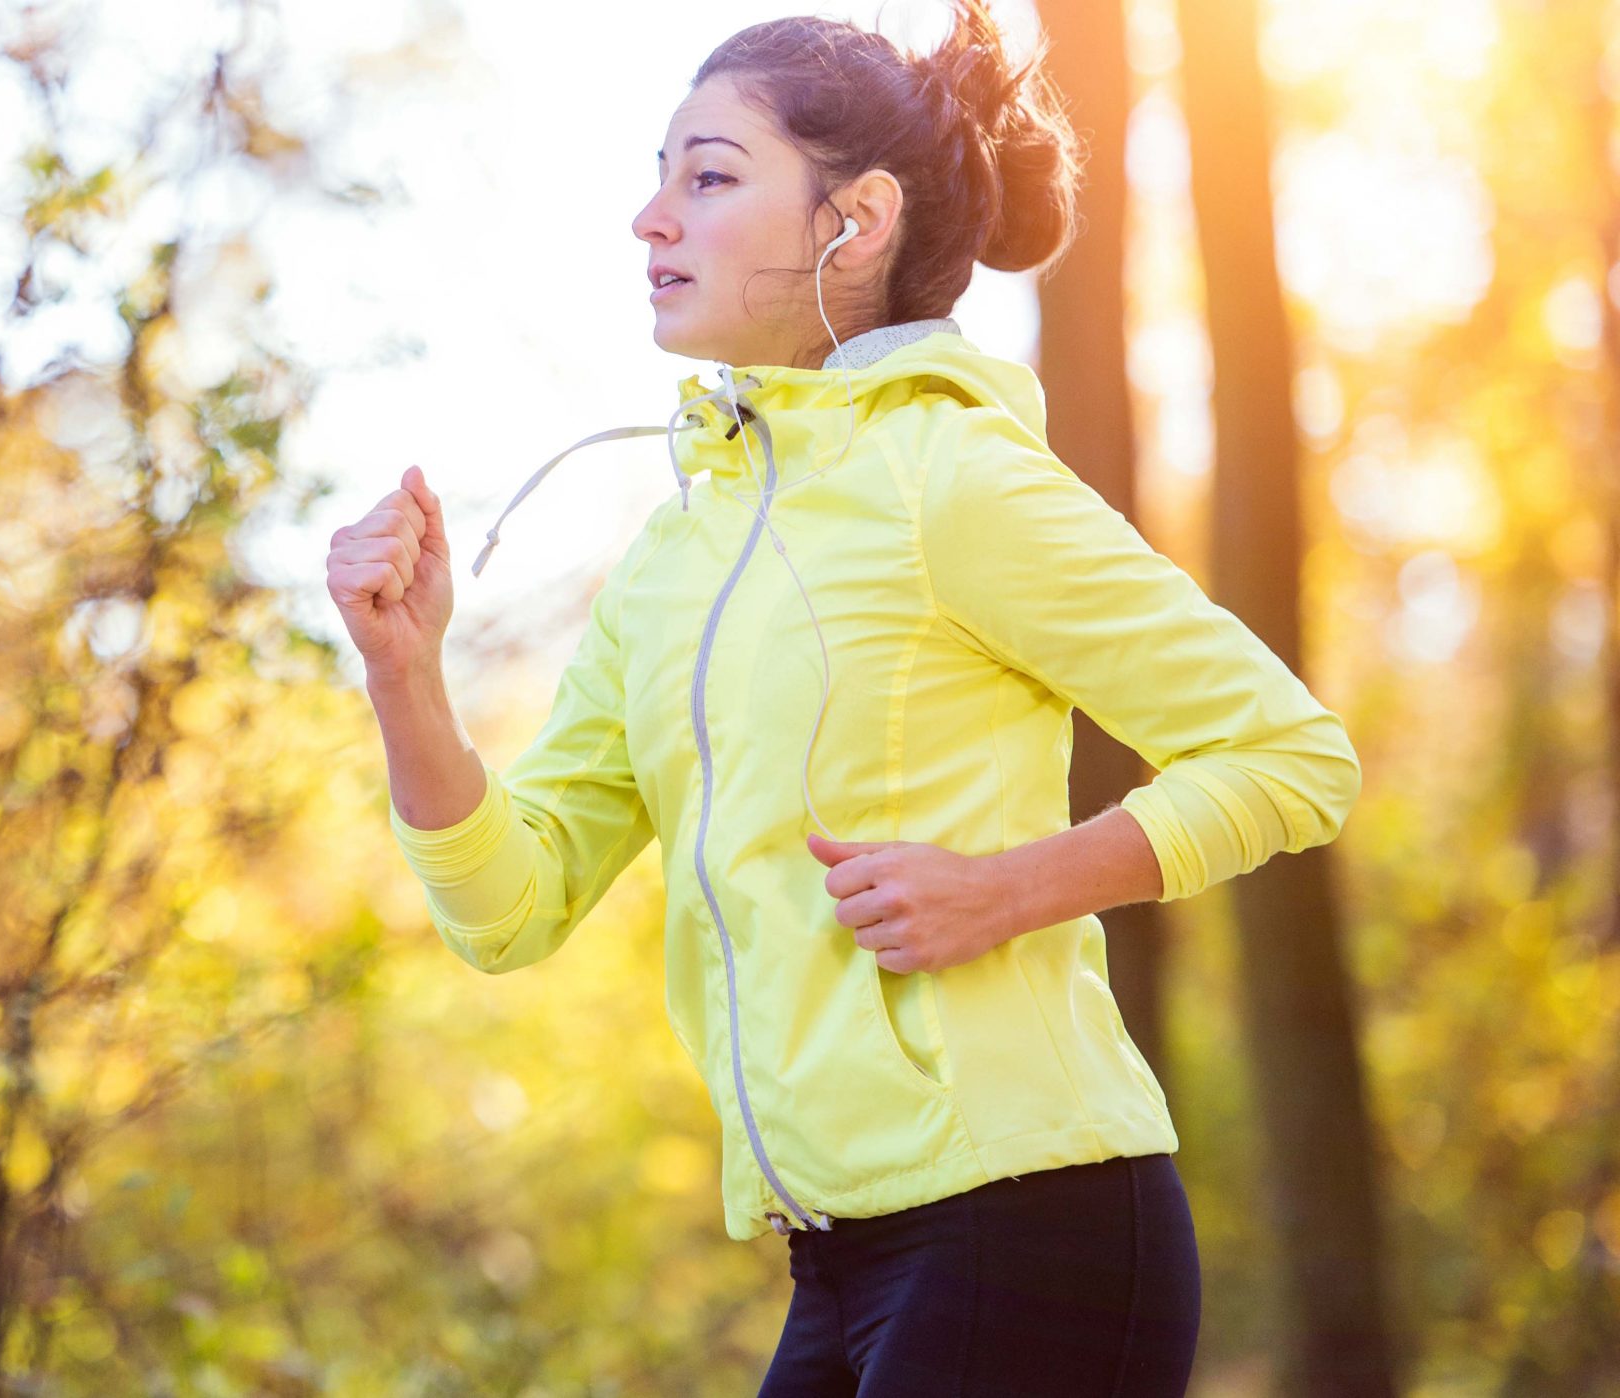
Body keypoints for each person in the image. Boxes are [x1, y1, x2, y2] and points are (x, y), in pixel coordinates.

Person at [326, 4, 1363, 1395]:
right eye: (661, 174)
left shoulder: (951, 477)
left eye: (707, 175)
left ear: (853, 220)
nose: (650, 218)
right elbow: (512, 907)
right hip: (838, 1259)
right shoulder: (671, 562)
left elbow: (1292, 753)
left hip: (1035, 1215)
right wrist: (407, 679)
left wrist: (1010, 887)